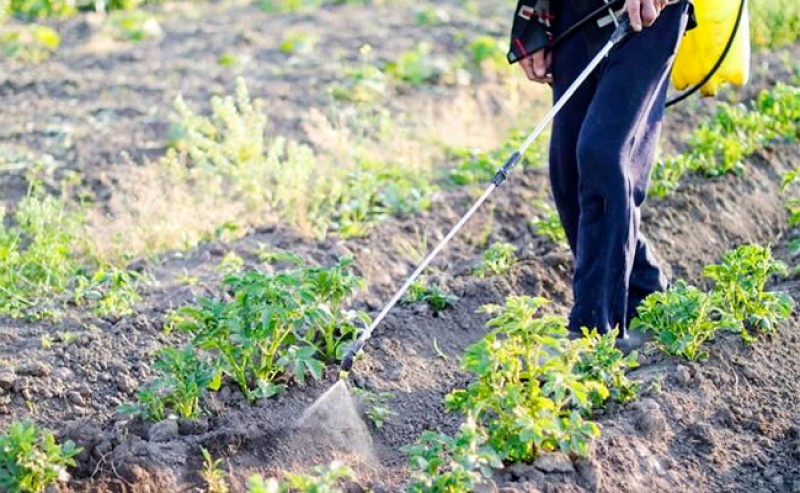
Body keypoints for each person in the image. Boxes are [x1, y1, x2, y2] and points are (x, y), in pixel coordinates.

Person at [508, 0, 693, 344]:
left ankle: (595, 333)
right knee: (568, 173)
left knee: (604, 154)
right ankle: (647, 295)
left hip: (647, 15)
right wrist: (532, 26)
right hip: (575, 15)